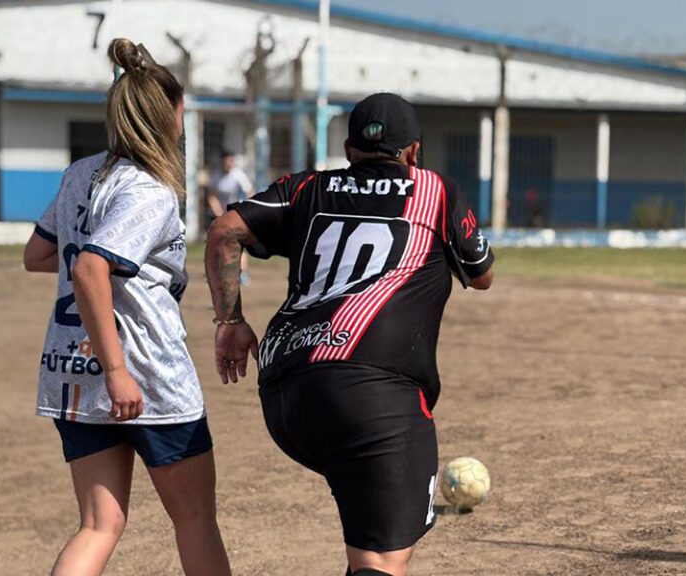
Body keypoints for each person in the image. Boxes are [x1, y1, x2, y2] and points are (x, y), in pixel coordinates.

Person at [205, 92, 494, 576]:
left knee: (367, 543)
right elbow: (482, 274)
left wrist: (230, 322)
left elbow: (224, 231)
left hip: (287, 394)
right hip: (373, 396)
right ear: (414, 151)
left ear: (347, 149)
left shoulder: (307, 187)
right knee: (380, 560)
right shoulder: (434, 190)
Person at [23, 39, 231, 576]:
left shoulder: (80, 173)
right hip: (146, 373)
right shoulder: (150, 190)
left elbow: (39, 255)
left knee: (98, 525)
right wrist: (118, 371)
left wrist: (113, 276)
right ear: (170, 114)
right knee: (195, 520)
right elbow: (90, 268)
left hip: (72, 370)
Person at [207, 150, 254, 285]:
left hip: (238, 214)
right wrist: (218, 211)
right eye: (227, 161)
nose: (229, 164)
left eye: (231, 161)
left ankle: (243, 274)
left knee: (238, 244)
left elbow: (250, 193)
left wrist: (247, 210)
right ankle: (218, 273)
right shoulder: (216, 176)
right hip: (222, 215)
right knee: (219, 244)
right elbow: (212, 195)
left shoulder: (238, 175)